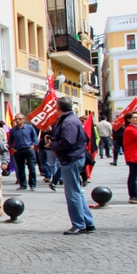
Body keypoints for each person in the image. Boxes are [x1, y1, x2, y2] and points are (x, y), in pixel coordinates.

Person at [49, 97, 95, 235]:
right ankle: (87, 222)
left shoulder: (68, 121)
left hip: (71, 158)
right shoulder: (72, 119)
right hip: (74, 157)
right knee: (77, 192)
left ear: (59, 108)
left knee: (72, 193)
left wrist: (52, 145)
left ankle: (79, 224)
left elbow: (68, 141)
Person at [9, 112, 38, 190]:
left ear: (24, 120)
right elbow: (10, 141)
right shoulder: (13, 130)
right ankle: (23, 185)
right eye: (16, 119)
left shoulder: (30, 128)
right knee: (20, 168)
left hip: (29, 149)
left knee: (31, 168)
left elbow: (35, 138)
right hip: (18, 151)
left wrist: (33, 145)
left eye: (19, 119)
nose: (17, 120)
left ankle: (32, 185)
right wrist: (12, 148)